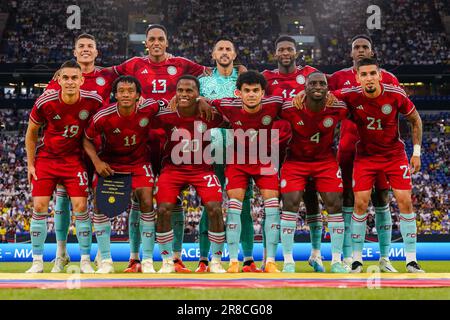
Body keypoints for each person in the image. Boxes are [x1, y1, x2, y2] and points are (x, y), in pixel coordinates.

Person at [112, 24, 210, 273]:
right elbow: (105, 75)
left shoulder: (182, 64)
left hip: (173, 141)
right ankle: (135, 259)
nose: (156, 42)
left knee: (173, 199)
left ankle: (175, 258)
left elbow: (212, 76)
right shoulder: (134, 64)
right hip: (142, 140)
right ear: (146, 42)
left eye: (160, 39)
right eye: (152, 39)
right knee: (138, 199)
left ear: (167, 42)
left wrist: (203, 98)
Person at [335, 58, 424, 273]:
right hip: (365, 156)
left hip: (394, 155)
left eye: (372, 74)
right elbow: (322, 98)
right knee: (360, 204)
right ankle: (357, 260)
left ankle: (411, 260)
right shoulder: (350, 95)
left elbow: (416, 119)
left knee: (405, 202)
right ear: (357, 77)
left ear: (379, 75)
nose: (368, 78)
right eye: (363, 75)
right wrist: (302, 95)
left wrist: (417, 152)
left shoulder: (395, 94)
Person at [44, 33, 117, 273]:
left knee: (101, 199)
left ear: (97, 52)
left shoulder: (108, 75)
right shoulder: (61, 78)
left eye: (90, 47)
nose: (86, 50)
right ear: (74, 52)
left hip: (99, 147)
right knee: (63, 202)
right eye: (81, 47)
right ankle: (61, 254)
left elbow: (138, 73)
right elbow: (44, 109)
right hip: (70, 151)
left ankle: (103, 256)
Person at [328, 34, 401, 272]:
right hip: (348, 147)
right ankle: (350, 257)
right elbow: (323, 101)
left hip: (380, 149)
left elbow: (399, 108)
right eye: (356, 47)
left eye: (365, 47)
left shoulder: (387, 78)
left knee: (382, 199)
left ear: (372, 52)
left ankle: (385, 258)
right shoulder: (338, 78)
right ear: (351, 53)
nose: (360, 50)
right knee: (347, 199)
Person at [25, 60, 103, 273]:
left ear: (81, 80)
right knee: (39, 207)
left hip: (73, 160)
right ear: (58, 79)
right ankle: (37, 262)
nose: (70, 82)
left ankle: (85, 259)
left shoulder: (93, 101)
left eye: (74, 78)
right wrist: (30, 164)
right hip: (47, 159)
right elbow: (31, 133)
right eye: (65, 78)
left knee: (80, 208)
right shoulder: (45, 101)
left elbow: (105, 124)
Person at [209, 70, 288, 273]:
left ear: (263, 93)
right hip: (238, 161)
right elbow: (204, 102)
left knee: (272, 207)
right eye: (247, 90)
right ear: (239, 93)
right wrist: (200, 100)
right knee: (234, 208)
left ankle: (270, 260)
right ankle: (234, 261)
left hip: (265, 158)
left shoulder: (275, 103)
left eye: (256, 90)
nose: (251, 94)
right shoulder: (227, 104)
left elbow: (298, 102)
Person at [83, 76, 162, 273]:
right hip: (112, 164)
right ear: (115, 94)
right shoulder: (103, 116)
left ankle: (148, 261)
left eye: (130, 91)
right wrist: (97, 162)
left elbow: (167, 103)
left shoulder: (148, 108)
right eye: (121, 91)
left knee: (146, 200)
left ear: (138, 95)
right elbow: (86, 139)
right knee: (100, 206)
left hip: (139, 163)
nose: (126, 94)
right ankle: (106, 261)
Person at [196, 36, 260, 273]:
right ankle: (204, 259)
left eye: (228, 49)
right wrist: (198, 98)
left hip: (241, 151)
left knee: (242, 206)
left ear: (234, 55)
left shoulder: (245, 79)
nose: (224, 52)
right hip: (211, 150)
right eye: (219, 48)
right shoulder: (202, 82)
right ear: (213, 55)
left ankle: (248, 259)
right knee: (210, 204)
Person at [262, 35, 324, 272]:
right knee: (273, 201)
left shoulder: (311, 75)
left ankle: (316, 253)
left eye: (289, 49)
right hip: (273, 147)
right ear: (275, 53)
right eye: (281, 49)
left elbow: (325, 98)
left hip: (304, 147)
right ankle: (270, 259)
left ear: (296, 52)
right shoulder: (267, 78)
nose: (285, 53)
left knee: (311, 198)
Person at [154, 75, 226, 273]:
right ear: (175, 93)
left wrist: (207, 101)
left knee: (215, 207)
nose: (184, 94)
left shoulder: (207, 113)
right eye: (180, 90)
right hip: (173, 169)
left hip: (202, 169)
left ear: (197, 94)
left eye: (189, 91)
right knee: (163, 209)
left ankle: (216, 261)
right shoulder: (165, 116)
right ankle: (167, 261)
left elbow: (230, 120)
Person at [279, 72, 348, 273]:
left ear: (327, 87)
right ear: (305, 87)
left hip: (325, 161)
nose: (318, 86)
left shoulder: (338, 107)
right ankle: (288, 261)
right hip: (295, 162)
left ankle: (336, 260)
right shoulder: (289, 107)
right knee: (290, 205)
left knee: (335, 205)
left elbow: (354, 98)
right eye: (313, 83)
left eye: (322, 83)